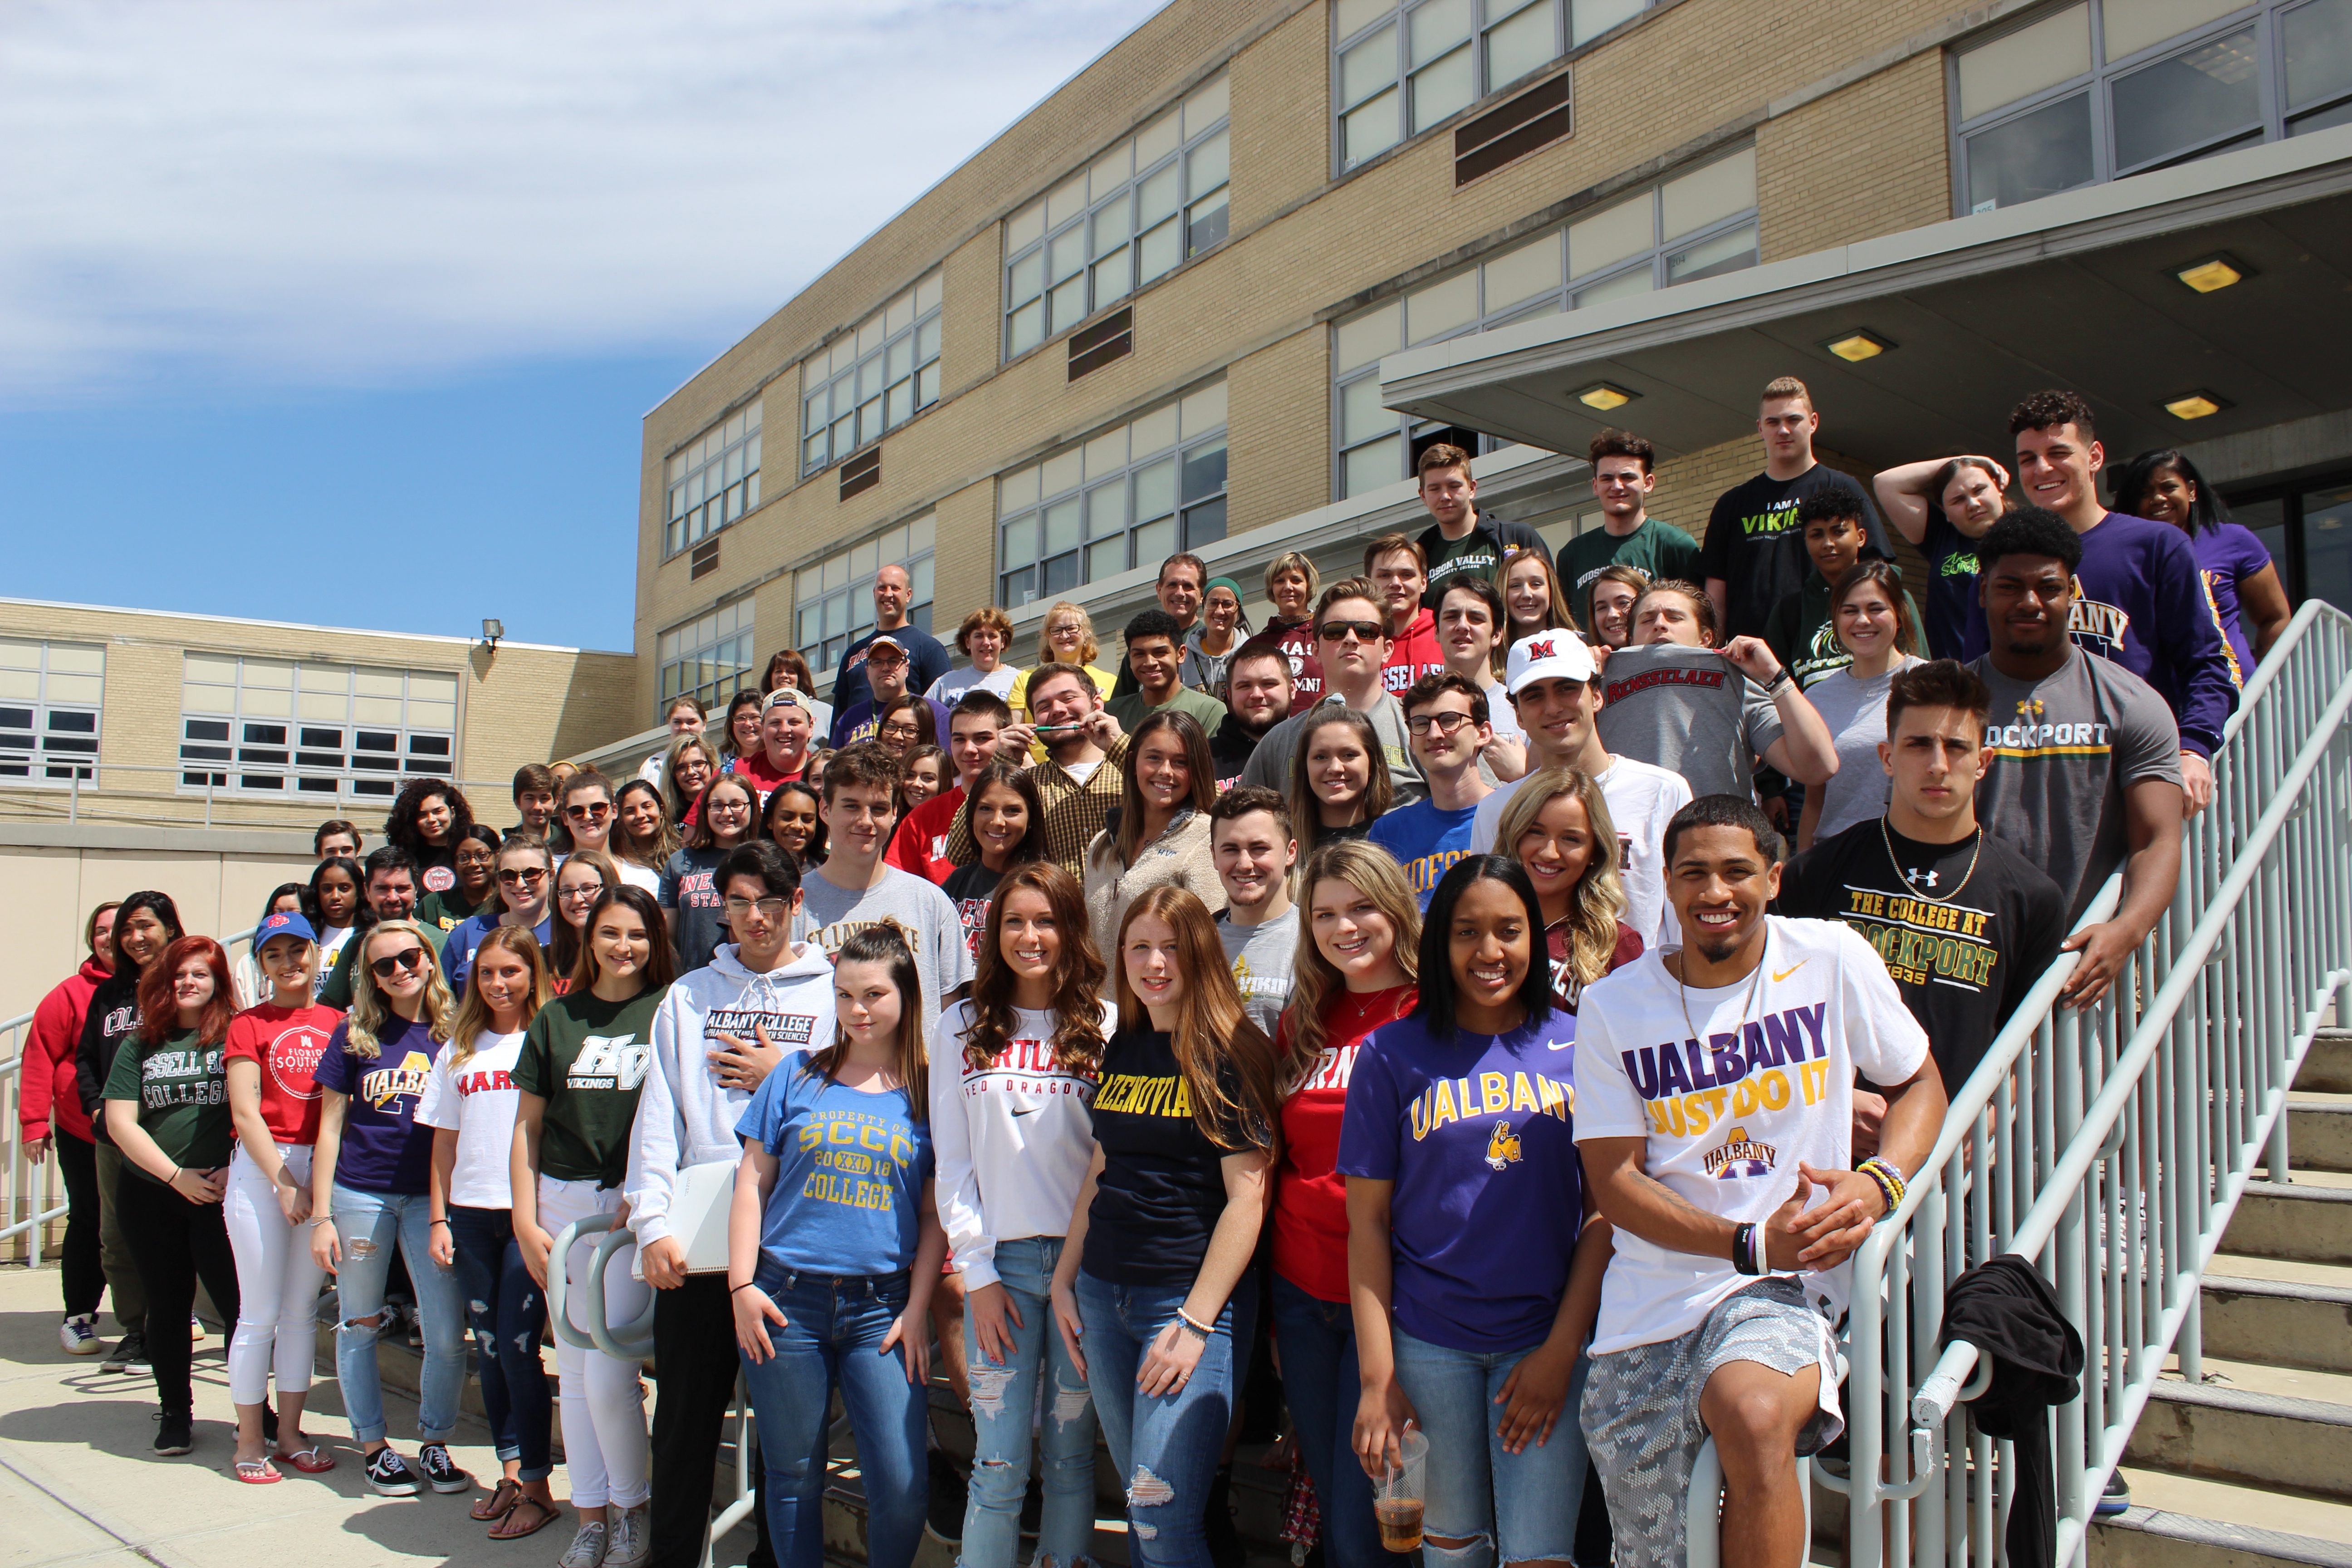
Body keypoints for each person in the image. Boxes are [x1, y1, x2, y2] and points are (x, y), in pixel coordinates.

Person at [1575, 795, 1947, 1568]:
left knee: (1750, 1416)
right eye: (1693, 874)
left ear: (1773, 878)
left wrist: (1880, 1182)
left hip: (1785, 1284)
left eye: (1735, 871)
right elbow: (1612, 1184)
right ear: (1666, 887)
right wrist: (1745, 1240)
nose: (1714, 893)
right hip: (1652, 1297)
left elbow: (1919, 1084)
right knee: (1654, 1553)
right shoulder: (1613, 1005)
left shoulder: (1830, 958)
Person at [1341, 857, 1607, 1568]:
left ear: (1535, 937)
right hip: (1430, 1348)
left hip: (1545, 1345)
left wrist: (1560, 1353)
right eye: (1466, 932)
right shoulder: (1390, 1054)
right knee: (1451, 1552)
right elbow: (1366, 1224)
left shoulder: (1583, 1043)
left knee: (1540, 1556)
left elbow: (1604, 1215)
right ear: (1439, 942)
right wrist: (1379, 1379)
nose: (1489, 952)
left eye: (1509, 930)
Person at [1049, 887, 1279, 1568]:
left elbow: (1249, 1199)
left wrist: (1196, 1323)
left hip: (1183, 1303)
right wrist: (1065, 1279)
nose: (1154, 963)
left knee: (1160, 1517)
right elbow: (1102, 1166)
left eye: (1172, 947)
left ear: (1201, 954)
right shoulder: (1126, 1045)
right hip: (1102, 1294)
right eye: (1140, 946)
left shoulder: (1233, 1050)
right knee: (1143, 1505)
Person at [629, 839, 827, 1568]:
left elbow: (859, 1106)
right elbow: (660, 1121)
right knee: (683, 1420)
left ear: (796, 904)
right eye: (738, 902)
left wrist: (785, 1074)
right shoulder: (689, 996)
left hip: (794, 1237)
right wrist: (652, 1224)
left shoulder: (832, 993)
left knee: (788, 1432)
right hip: (700, 1238)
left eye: (769, 902)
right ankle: (672, 1556)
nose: (754, 918)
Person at [731, 922, 948, 1568]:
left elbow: (935, 1216)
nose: (858, 1010)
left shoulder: (930, 1094)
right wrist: (741, 1286)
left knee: (903, 1487)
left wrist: (916, 1308)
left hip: (881, 1309)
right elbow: (751, 1181)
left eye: (875, 994)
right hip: (784, 1301)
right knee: (794, 1478)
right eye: (846, 994)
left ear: (906, 997)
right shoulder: (796, 1076)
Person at [1777, 660, 2069, 1096]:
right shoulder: (1814, 873)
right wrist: (1841, 1101)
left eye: (1956, 747)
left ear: (1983, 762)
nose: (1937, 764)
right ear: (1888, 757)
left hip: (1958, 1145)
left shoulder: (2031, 897)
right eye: (1918, 745)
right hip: (1829, 1139)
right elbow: (1771, 1009)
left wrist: (1990, 1115)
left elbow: (2029, 1039)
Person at [931, 862, 1110, 1568]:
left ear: (1070, 929)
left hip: (1083, 1273)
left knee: (1070, 1459)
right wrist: (975, 1272)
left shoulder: (1107, 1022)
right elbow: (953, 1161)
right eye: (1015, 921)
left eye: (1046, 921)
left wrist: (1079, 1271)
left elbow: (1110, 1161)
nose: (1030, 936)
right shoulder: (962, 1025)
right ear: (993, 931)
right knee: (1000, 1466)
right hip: (998, 1268)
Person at [1964, 390, 2237, 811]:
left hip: (2136, 776)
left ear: (2094, 457)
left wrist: (2194, 749)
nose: (2043, 469)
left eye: (2058, 452)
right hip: (2024, 786)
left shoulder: (2157, 545)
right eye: (2028, 459)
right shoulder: (1998, 562)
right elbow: (1976, 680)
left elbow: (2208, 662)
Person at [1969, 510, 2187, 1008]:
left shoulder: (2132, 702)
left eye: (2048, 587)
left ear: (2073, 593)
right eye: (2009, 587)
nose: (2030, 602)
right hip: (1975, 960)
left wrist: (2127, 930)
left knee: (2103, 1088)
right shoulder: (1947, 704)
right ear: (1982, 592)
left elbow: (2158, 838)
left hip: (2089, 962)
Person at [1270, 843, 1418, 1568]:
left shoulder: (1432, 1013)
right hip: (1303, 1293)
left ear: (1394, 907)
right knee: (1338, 1504)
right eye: (1324, 914)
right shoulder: (1303, 1018)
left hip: (1395, 1301)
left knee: (1372, 1525)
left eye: (1361, 907)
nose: (1344, 928)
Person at [515, 885, 671, 1568]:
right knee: (574, 1372)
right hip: (561, 1204)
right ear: (589, 937)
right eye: (610, 933)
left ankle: (632, 1509)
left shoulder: (670, 1008)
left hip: (632, 1209)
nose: (623, 947)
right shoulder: (557, 1018)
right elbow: (526, 1126)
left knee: (610, 1372)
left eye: (636, 933)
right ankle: (591, 1515)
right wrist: (523, 1218)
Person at [309, 918, 472, 1498]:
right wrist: (322, 1213)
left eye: (410, 957)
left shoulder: (460, 1032)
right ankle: (374, 1447)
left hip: (433, 1199)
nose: (401, 970)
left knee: (448, 1333)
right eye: (385, 965)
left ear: (430, 959)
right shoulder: (356, 1033)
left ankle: (434, 1441)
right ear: (371, 978)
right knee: (359, 1324)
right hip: (362, 1194)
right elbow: (329, 1128)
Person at [418, 924, 563, 1541]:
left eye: (512, 971)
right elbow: (443, 1141)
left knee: (519, 1348)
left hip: (528, 1217)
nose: (499, 983)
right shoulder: (460, 1045)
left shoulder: (548, 1038)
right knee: (493, 1350)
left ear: (534, 973)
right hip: (471, 1215)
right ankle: (511, 1473)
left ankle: (538, 1485)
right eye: (487, 973)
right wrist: (438, 1217)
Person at [102, 934, 243, 1458]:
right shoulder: (141, 1044)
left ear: (218, 983)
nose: (189, 983)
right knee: (167, 1305)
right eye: (180, 974)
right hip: (152, 1194)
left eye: (200, 974)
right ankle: (176, 1412)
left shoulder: (236, 1036)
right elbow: (120, 1123)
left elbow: (256, 1112)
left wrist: (233, 1166)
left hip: (223, 1194)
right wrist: (175, 1177)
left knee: (237, 1308)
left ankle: (253, 1411)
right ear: (165, 983)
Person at [1468, 632, 1691, 953]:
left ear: (1597, 696)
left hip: (1641, 991)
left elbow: (1680, 920)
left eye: (1567, 688)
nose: (1553, 707)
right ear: (1517, 715)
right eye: (1534, 696)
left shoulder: (1663, 792)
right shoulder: (1496, 810)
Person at [222, 911, 342, 1480]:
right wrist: (283, 1181)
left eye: (298, 950)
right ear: (262, 965)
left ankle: (291, 1433)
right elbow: (246, 1111)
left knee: (300, 1315)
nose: (289, 962)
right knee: (260, 1315)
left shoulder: (339, 1021)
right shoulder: (248, 1024)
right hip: (264, 1168)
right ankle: (250, 1441)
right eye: (275, 954)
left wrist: (314, 1190)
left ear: (315, 954)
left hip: (319, 1167)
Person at [1595, 580, 1841, 803]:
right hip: (1628, 841)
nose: (1660, 624)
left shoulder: (1738, 681)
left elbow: (1819, 768)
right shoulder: (1597, 684)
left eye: (1675, 618)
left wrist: (1775, 678)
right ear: (1631, 639)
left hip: (1716, 843)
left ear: (1706, 639)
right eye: (1648, 620)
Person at [1699, 375, 1894, 642]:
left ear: (1813, 422)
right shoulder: (1732, 503)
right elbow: (1715, 592)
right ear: (1760, 428)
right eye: (1773, 422)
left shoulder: (1841, 487)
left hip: (1825, 647)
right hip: (1747, 651)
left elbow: (1876, 569)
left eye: (1793, 420)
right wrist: (1717, 651)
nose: (1783, 430)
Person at [77, 890, 184, 1376]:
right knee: (116, 1236)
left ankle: (176, 1327)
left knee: (179, 1237)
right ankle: (136, 1332)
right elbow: (84, 1060)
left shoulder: (187, 984)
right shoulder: (109, 994)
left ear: (170, 930)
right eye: (127, 929)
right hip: (114, 1139)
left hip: (172, 1136)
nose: (136, 937)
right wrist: (97, 1109)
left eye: (146, 926)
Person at [799, 743, 974, 1035]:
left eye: (879, 809)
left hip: (915, 1078)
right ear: (825, 809)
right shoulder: (796, 903)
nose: (866, 821)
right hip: (820, 1076)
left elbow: (951, 1015)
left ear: (895, 814)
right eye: (851, 806)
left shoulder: (930, 902)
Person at [23, 900, 119, 1357]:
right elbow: (41, 1055)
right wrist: (33, 1122)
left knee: (157, 1222)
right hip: (85, 1131)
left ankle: (170, 1309)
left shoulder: (161, 989)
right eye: (101, 930)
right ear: (91, 939)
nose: (110, 936)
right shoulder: (69, 994)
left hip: (152, 1131)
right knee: (89, 1218)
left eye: (118, 928)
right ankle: (79, 1316)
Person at [1240, 579, 1426, 809]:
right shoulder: (1277, 742)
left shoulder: (1419, 728)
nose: (1351, 639)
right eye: (1336, 631)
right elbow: (1242, 825)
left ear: (1387, 650)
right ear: (1315, 651)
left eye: (1366, 631)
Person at [2112, 447, 2292, 676]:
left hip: (2231, 691)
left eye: (2169, 487)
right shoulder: (2124, 553)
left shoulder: (2233, 540)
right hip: (2155, 696)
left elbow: (2275, 617)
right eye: (2145, 493)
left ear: (2191, 491)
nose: (2157, 499)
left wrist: (2265, 680)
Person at [1795, 562, 1927, 850]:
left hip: (1911, 856)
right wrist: (1800, 872)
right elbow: (1815, 802)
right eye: (1850, 610)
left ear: (1900, 615)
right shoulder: (1816, 698)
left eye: (1876, 608)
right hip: (1835, 859)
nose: (1863, 621)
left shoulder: (1931, 685)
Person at [1492, 769, 1645, 1016]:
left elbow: (1634, 1038)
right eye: (1536, 832)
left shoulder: (1617, 944)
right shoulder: (1476, 926)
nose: (1550, 853)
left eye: (1571, 839)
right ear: (1514, 834)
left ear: (1594, 853)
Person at [970, 662, 1131, 878]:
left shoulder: (1133, 767)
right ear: (1034, 721)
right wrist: (1000, 765)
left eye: (1068, 699)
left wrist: (1119, 744)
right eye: (1044, 707)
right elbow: (959, 852)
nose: (1057, 710)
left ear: (1098, 705)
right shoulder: (1025, 784)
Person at [1084, 710, 1223, 956]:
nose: (1166, 771)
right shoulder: (1101, 845)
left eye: (1181, 762)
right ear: (1133, 763)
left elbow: (1211, 949)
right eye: (1154, 758)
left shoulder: (1207, 839)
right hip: (1099, 996)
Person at [1762, 495, 1926, 691]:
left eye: (1838, 532)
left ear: (1861, 537)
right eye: (1817, 535)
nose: (1828, 543)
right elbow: (1774, 689)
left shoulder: (1897, 598)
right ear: (1806, 542)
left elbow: (1922, 677)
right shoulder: (1789, 612)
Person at [1369, 673, 1493, 904]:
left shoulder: (1513, 815)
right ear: (1412, 744)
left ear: (1482, 733)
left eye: (1449, 720)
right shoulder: (1388, 833)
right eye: (1422, 724)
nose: (1434, 734)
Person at [1873, 455, 2009, 662]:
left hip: (2012, 678)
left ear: (1998, 488)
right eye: (1958, 500)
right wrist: (1970, 459)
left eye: (1980, 490)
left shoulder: (2029, 533)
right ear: (1945, 511)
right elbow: (1886, 483)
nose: (1973, 504)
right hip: (1952, 680)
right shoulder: (1941, 536)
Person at [1559, 429, 1700, 606]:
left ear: (1648, 483)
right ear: (1595, 486)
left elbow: (1695, 616)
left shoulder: (1674, 545)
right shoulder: (1572, 554)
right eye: (1607, 479)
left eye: (1628, 477)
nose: (1617, 486)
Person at [889, 691, 1014, 884]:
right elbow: (897, 888)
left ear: (1004, 739)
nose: (969, 749)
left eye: (982, 739)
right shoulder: (921, 819)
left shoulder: (1025, 809)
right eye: (959, 739)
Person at [1412, 441, 1550, 607]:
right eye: (1435, 489)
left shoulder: (1517, 537)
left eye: (1454, 486)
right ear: (1423, 496)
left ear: (1472, 488)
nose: (1445, 496)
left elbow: (1553, 601)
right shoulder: (1419, 556)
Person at [1211, 787, 1300, 1039]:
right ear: (1214, 856)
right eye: (1230, 849)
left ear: (1290, 852)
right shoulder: (1195, 942)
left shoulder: (1319, 939)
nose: (1245, 864)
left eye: (1259, 848)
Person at [941, 760, 1047, 960]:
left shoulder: (1045, 887)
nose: (997, 821)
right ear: (971, 815)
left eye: (1012, 811)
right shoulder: (957, 882)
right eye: (986, 809)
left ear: (1031, 819)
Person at [661, 774, 758, 973]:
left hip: (751, 978)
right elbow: (668, 936)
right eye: (717, 805)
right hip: (694, 981)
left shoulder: (765, 860)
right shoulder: (680, 862)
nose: (727, 813)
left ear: (752, 808)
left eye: (737, 804)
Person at [1434, 576, 1527, 775]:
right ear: (1436, 631)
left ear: (1497, 635)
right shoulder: (1416, 710)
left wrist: (1522, 776)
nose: (1462, 626)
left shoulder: (1522, 705)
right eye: (1451, 617)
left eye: (1476, 618)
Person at [443, 835, 558, 995]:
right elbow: (441, 998)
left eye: (532, 874)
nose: (520, 884)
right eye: (509, 876)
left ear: (551, 875)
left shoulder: (567, 933)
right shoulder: (468, 932)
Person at [833, 563, 950, 707]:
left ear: (908, 595)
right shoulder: (853, 652)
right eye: (882, 588)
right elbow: (840, 714)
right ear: (874, 593)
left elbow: (941, 710)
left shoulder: (929, 648)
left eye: (895, 588)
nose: (888, 594)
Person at [317, 846, 421, 1008]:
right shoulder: (357, 944)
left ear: (416, 889)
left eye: (402, 889)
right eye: (383, 889)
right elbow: (329, 1006)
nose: (393, 897)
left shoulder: (438, 942)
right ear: (367, 891)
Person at [1289, 706, 1393, 854]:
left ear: (1373, 763)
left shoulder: (1397, 838)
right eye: (1321, 757)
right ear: (1305, 767)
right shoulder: (1284, 844)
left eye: (1349, 755)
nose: (1335, 768)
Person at [1109, 608, 1230, 734]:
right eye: (1139, 654)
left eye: (1160, 653)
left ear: (1181, 654)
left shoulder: (1209, 711)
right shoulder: (1113, 713)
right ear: (1130, 659)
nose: (1150, 662)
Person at [1008, 602, 1120, 737]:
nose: (1065, 636)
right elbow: (1016, 732)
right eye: (1056, 630)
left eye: (1072, 628)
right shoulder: (1025, 679)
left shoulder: (1111, 681)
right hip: (1039, 758)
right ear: (1047, 638)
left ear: (1086, 634)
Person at [1110, 554, 1214, 700]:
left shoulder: (1212, 641)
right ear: (1159, 590)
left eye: (1188, 586)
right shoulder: (1140, 645)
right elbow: (1122, 705)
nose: (1180, 593)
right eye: (1172, 585)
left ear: (1202, 594)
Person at [836, 636, 954, 752]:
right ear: (868, 672)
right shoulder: (849, 719)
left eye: (893, 661)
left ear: (907, 668)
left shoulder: (936, 713)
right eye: (877, 662)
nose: (886, 668)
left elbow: (949, 764)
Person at [1366, 533, 1445, 696]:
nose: (1396, 583)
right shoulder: (1356, 639)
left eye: (1406, 575)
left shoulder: (1447, 631)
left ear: (1424, 583)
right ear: (1369, 582)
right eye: (1385, 575)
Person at [1211, 637, 1294, 789]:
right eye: (1245, 686)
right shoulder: (1204, 759)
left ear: (1292, 689)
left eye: (1269, 684)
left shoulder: (1313, 749)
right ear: (1229, 695)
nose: (1256, 694)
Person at [564, 769, 661, 894]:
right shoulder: (550, 869)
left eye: (598, 808)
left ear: (614, 811)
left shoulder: (644, 877)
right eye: (577, 811)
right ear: (565, 818)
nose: (588, 816)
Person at [387, 780, 476, 896]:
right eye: (422, 815)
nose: (431, 819)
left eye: (438, 811)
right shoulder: (404, 859)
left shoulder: (470, 855)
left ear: (452, 812)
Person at [1264, 552, 1326, 715]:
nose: (1288, 587)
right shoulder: (1258, 644)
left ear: (1309, 585)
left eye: (1296, 580)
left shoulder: (1328, 634)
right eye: (1279, 581)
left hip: (1321, 728)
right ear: (1272, 589)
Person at [551, 851, 623, 988]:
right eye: (567, 891)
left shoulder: (627, 955)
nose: (577, 899)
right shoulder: (546, 961)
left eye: (588, 888)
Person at [229, 882, 308, 1008]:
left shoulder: (315, 961)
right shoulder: (248, 964)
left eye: (293, 914)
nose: (283, 919)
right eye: (278, 912)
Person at [416, 827, 500, 941]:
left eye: (482, 855)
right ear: (455, 863)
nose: (473, 863)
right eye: (464, 857)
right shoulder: (434, 904)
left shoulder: (507, 904)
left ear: (497, 856)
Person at [931, 605, 1024, 706]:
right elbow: (920, 714)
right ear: (968, 642)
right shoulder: (946, 682)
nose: (986, 642)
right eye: (979, 636)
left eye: (992, 636)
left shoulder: (1020, 680)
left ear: (1003, 641)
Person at [739, 688, 818, 802]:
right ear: (763, 728)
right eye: (775, 723)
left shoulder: (827, 776)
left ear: (810, 727)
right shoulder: (736, 772)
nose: (785, 730)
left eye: (794, 722)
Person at [305, 857, 363, 997]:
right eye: (327, 889)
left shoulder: (371, 934)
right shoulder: (306, 936)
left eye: (344, 889)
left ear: (360, 891)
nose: (336, 896)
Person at [1500, 547, 1578, 647]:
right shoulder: (1487, 654)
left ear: (1551, 593)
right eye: (1515, 586)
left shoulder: (1577, 646)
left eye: (1536, 584)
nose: (1526, 594)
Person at [614, 777, 683, 886]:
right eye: (630, 811)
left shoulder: (683, 851)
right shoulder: (618, 863)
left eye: (647, 807)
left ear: (661, 810)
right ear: (621, 818)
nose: (640, 815)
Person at [1189, 578, 1250, 697]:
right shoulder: (1185, 657)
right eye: (1213, 603)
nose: (1220, 611)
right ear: (1204, 605)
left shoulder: (1250, 654)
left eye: (1228, 604)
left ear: (1239, 610)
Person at [638, 698, 709, 797]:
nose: (684, 727)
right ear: (669, 725)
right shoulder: (652, 766)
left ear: (704, 724)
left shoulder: (720, 761)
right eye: (677, 722)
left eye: (691, 722)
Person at [762, 645, 836, 739]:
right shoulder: (761, 711)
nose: (784, 675)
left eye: (791, 672)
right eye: (778, 671)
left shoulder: (825, 711)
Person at [1582, 563, 1648, 654]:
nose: (1612, 614)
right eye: (1602, 608)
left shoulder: (1672, 657)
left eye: (1623, 603)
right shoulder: (1584, 664)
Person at [657, 731, 719, 826]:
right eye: (682, 767)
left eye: (698, 764)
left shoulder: (726, 809)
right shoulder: (666, 818)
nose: (691, 772)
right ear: (673, 774)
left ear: (711, 765)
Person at [764, 778, 826, 868]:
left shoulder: (829, 872)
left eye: (807, 819)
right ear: (770, 821)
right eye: (787, 818)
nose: (798, 826)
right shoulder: (750, 867)